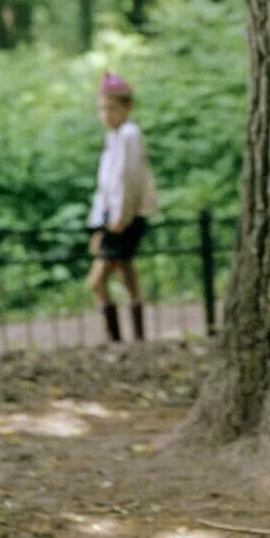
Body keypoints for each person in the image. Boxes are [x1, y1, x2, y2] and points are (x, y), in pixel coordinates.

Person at [86, 72, 159, 342]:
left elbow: (129, 180)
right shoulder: (113, 138)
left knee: (97, 280)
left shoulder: (129, 135)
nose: (105, 115)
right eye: (102, 109)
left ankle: (118, 338)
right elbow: (106, 188)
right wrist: (98, 223)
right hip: (112, 217)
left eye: (111, 108)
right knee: (125, 272)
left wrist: (121, 218)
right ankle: (134, 336)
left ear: (127, 108)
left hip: (124, 218)